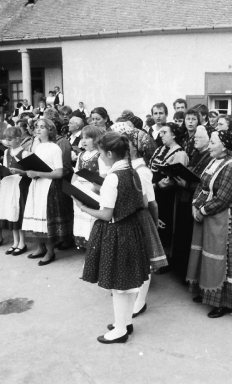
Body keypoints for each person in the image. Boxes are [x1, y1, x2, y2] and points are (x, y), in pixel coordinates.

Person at [78, 132, 151, 344]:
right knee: (127, 282)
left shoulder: (112, 177)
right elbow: (144, 203)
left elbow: (106, 214)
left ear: (109, 153)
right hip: (132, 229)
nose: (99, 156)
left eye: (100, 153)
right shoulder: (133, 171)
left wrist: (83, 207)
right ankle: (126, 322)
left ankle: (120, 330)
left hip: (116, 232)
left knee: (119, 285)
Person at [187, 130, 232, 318]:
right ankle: (208, 293)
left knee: (223, 260)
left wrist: (202, 210)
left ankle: (224, 302)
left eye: (212, 143)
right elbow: (202, 186)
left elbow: (224, 197)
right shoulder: (213, 160)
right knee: (208, 257)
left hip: (226, 218)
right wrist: (195, 205)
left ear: (223, 146)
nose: (208, 146)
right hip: (210, 216)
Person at [119, 124, 169, 316]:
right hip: (130, 216)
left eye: (127, 144)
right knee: (133, 257)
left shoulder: (142, 171)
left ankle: (140, 300)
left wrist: (154, 224)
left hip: (141, 217)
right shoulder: (130, 167)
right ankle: (132, 293)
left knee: (144, 259)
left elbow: (152, 203)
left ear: (136, 147)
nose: (123, 147)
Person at [22, 118, 72, 266]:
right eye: (37, 127)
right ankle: (40, 247)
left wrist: (38, 173)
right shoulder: (37, 147)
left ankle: (50, 252)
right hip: (37, 185)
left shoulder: (54, 148)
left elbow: (58, 173)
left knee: (45, 217)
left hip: (49, 186)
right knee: (36, 214)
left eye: (42, 127)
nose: (38, 129)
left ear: (50, 130)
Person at [171, 125, 213, 280]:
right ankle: (180, 269)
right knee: (182, 233)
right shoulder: (196, 153)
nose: (195, 139)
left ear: (209, 140)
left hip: (193, 198)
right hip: (185, 196)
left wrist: (187, 184)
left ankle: (187, 273)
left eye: (199, 137)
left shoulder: (209, 156)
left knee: (189, 236)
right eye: (195, 137)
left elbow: (206, 183)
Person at [149, 122, 189, 255]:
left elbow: (176, 178)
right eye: (160, 132)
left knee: (164, 223)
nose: (161, 135)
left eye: (164, 132)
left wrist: (164, 183)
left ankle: (164, 257)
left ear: (173, 135)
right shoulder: (159, 149)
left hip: (167, 194)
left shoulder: (180, 153)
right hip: (154, 190)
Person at [0, 127, 32, 256]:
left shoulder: (25, 153)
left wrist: (20, 172)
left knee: (19, 212)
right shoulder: (7, 152)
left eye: (10, 139)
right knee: (10, 211)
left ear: (18, 139)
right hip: (9, 184)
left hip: (20, 184)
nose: (7, 142)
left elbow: (29, 172)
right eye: (6, 139)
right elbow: (5, 167)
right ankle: (15, 241)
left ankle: (22, 242)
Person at [71, 125, 106, 250]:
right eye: (82, 138)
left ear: (96, 139)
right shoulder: (81, 155)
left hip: (93, 191)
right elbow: (76, 173)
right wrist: (73, 189)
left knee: (92, 219)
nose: (84, 141)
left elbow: (102, 176)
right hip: (81, 190)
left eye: (88, 138)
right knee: (82, 219)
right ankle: (86, 247)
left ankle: (95, 249)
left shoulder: (99, 155)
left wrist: (90, 194)